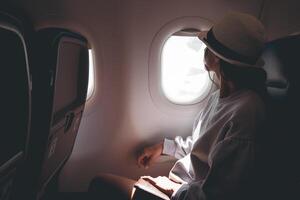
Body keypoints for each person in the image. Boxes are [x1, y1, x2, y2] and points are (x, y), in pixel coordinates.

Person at [89, 11, 268, 200]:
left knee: (100, 184)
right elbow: (201, 146)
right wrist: (163, 147)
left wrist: (172, 190)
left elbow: (218, 194)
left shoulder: (246, 112)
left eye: (207, 47)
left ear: (217, 57)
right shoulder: (219, 98)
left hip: (185, 194)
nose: (203, 52)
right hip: (183, 188)